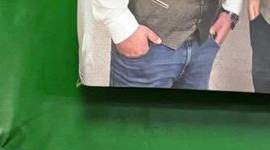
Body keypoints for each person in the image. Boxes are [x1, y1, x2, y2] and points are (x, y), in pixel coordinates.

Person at [93, 0, 242, 89]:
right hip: (147, 41)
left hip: (204, 39)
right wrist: (118, 21)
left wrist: (231, 9)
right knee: (134, 133)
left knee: (187, 132)